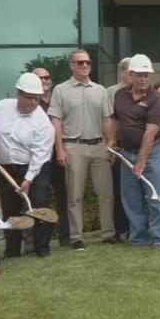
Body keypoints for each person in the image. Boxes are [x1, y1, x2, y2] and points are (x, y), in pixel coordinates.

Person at [48, 50, 117, 250]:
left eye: (88, 62)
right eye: (80, 63)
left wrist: (110, 143)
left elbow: (107, 119)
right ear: (72, 65)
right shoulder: (61, 90)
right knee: (74, 196)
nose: (85, 66)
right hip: (73, 146)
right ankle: (76, 237)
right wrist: (59, 149)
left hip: (99, 146)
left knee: (106, 193)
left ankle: (108, 234)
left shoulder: (100, 90)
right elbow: (56, 121)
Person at [0, 73, 55, 258]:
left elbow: (41, 155)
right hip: (6, 169)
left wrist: (28, 179)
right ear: (19, 94)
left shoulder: (43, 123)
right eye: (30, 97)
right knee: (10, 209)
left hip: (35, 169)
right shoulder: (1, 107)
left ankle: (42, 248)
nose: (34, 102)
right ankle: (12, 250)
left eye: (37, 99)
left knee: (38, 207)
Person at [107, 54, 160, 249]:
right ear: (131, 75)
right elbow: (116, 120)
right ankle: (139, 238)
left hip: (154, 153)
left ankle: (159, 239)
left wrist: (142, 162)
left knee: (157, 197)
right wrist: (110, 141)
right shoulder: (120, 96)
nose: (144, 79)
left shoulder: (156, 100)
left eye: (147, 75)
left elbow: (150, 133)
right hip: (127, 152)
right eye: (140, 75)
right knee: (131, 199)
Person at [33, 67, 70, 248]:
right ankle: (36, 242)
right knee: (39, 200)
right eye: (40, 78)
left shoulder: (59, 97)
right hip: (39, 159)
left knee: (64, 198)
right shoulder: (32, 102)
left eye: (47, 77)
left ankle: (66, 237)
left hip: (60, 155)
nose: (44, 81)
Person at [104, 57, 133, 240]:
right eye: (132, 72)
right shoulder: (111, 92)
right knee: (117, 189)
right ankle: (119, 229)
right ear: (123, 72)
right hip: (117, 145)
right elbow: (108, 118)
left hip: (134, 145)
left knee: (134, 189)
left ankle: (134, 228)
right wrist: (110, 143)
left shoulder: (141, 92)